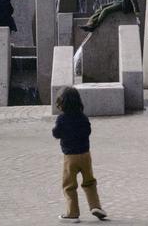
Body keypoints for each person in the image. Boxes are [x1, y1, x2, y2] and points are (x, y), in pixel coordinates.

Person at [52, 87, 108, 223]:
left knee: (69, 185)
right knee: (89, 182)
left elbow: (56, 133)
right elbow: (88, 131)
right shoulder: (83, 117)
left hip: (70, 157)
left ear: (61, 104)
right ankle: (95, 206)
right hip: (85, 155)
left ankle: (72, 213)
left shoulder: (62, 119)